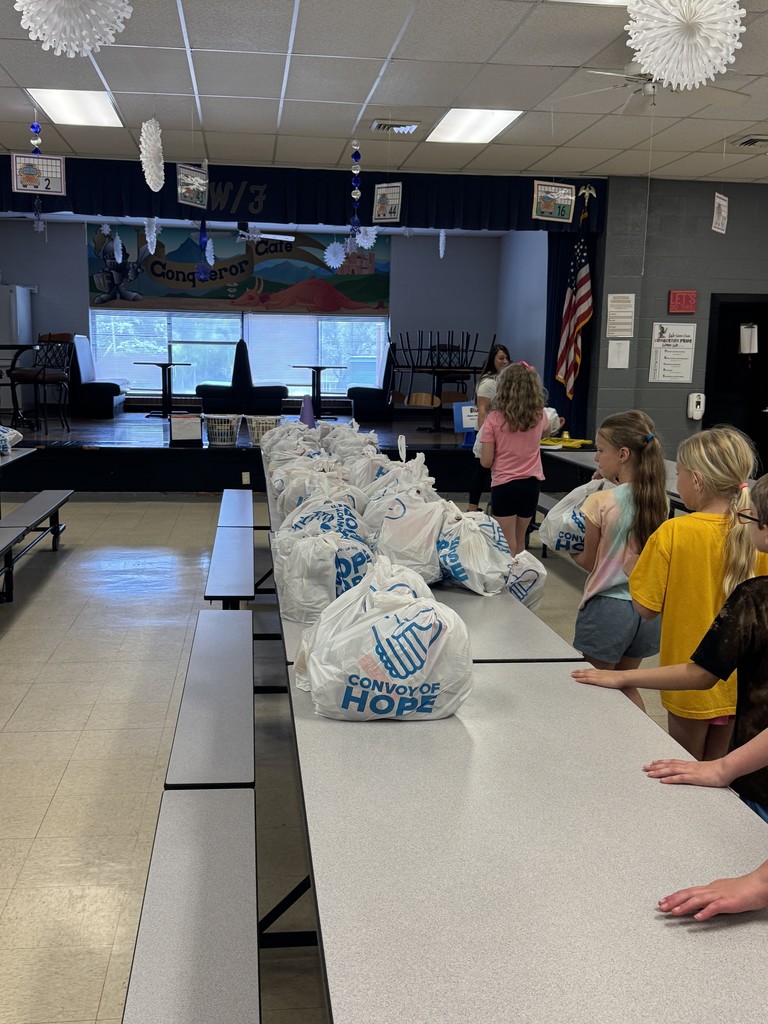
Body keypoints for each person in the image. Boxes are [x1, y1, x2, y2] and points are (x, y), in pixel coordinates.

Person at [572, 472, 768, 821]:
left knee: (689, 799)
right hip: (739, 710)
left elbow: (697, 669)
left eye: (751, 518)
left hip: (750, 765)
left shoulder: (754, 596)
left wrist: (622, 679)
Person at [628, 426, 768, 760]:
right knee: (721, 776)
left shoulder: (674, 532)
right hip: (743, 682)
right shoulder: (759, 534)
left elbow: (645, 609)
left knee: (687, 774)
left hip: (687, 677)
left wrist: (632, 569)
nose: (676, 483)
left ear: (698, 481)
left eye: (679, 474)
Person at [570, 412, 669, 704]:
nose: (597, 458)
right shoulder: (658, 497)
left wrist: (569, 548)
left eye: (601, 450)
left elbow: (590, 562)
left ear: (623, 454)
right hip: (645, 608)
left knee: (597, 691)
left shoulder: (599, 501)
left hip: (607, 610)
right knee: (625, 685)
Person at [477, 362, 552, 555]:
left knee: (506, 542)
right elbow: (547, 431)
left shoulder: (493, 418)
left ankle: (508, 581)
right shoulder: (539, 415)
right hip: (531, 484)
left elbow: (486, 461)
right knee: (520, 542)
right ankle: (520, 578)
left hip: (505, 484)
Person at [467, 344, 511, 511]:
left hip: (500, 431)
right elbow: (482, 409)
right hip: (487, 431)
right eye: (501, 358)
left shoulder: (504, 379)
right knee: (481, 470)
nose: (505, 361)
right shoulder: (488, 382)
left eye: (506, 358)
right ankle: (472, 507)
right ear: (492, 359)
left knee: (493, 471)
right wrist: (484, 433)